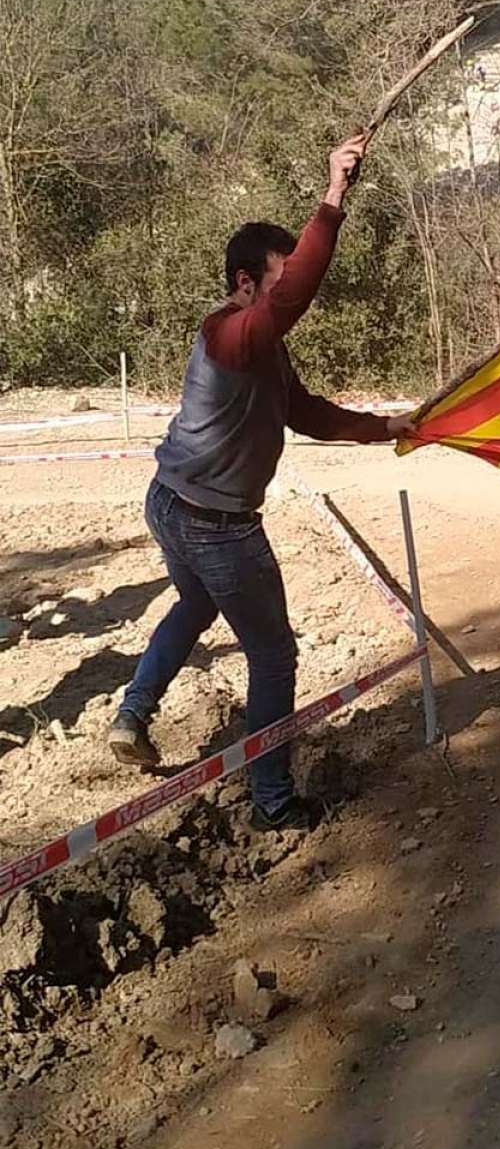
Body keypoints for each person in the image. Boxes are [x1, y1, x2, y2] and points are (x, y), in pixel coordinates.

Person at [107, 137, 414, 832]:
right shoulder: (230, 335)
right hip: (215, 524)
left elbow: (307, 414)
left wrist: (389, 425)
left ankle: (133, 714)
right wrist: (334, 194)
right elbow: (299, 291)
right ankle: (274, 799)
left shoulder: (261, 348)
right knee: (274, 654)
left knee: (193, 605)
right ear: (245, 284)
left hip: (174, 503)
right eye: (275, 286)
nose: (286, 300)